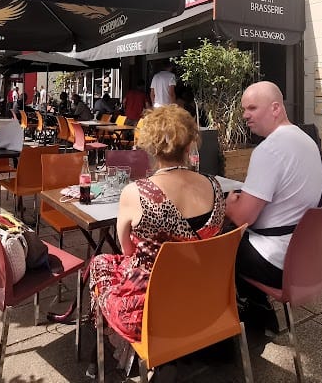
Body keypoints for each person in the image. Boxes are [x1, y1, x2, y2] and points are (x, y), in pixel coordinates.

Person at [89, 104, 226, 344]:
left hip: (150, 313)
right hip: (205, 300)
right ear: (190, 142)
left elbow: (127, 251)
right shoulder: (214, 186)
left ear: (150, 146)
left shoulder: (136, 193)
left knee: (100, 262)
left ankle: (102, 355)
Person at [225, 81, 322, 337]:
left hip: (282, 263)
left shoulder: (270, 149)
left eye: (252, 108)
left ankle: (227, 325)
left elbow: (243, 218)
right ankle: (259, 312)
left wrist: (228, 204)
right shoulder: (308, 142)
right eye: (244, 109)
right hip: (314, 258)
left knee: (212, 248)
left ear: (275, 108)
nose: (245, 115)